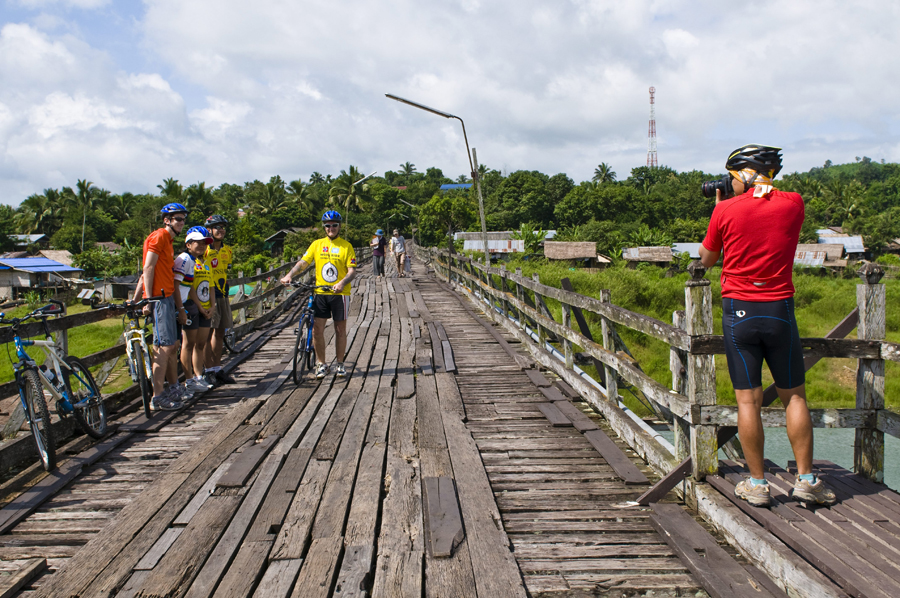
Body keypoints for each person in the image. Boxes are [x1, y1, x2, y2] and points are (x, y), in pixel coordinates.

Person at [699, 144, 836, 508]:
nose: (729, 184)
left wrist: (719, 209)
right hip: (779, 310)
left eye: (732, 177)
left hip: (738, 312)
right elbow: (767, 201)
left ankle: (757, 484)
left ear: (744, 172)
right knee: (795, 396)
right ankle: (806, 479)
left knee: (748, 400)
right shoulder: (794, 203)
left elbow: (706, 260)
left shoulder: (725, 209)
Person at [280, 210, 357, 378]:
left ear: (339, 226)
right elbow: (303, 262)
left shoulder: (346, 246)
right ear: (324, 227)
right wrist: (289, 275)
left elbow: (352, 271)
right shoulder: (316, 244)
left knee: (340, 330)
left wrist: (342, 283)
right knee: (317, 330)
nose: (331, 228)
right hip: (320, 292)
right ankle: (321, 364)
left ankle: (340, 363)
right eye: (328, 226)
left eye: (334, 225)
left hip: (340, 294)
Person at [142, 203, 189, 411]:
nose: (181, 222)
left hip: (167, 296)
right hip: (159, 298)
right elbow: (148, 267)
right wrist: (148, 298)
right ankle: (157, 396)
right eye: (177, 219)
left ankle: (168, 389)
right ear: (167, 220)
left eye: (183, 219)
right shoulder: (159, 236)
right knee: (165, 346)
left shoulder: (168, 241)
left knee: (170, 345)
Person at [175, 226, 216, 395]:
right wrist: (197, 307)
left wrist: (212, 306)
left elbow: (211, 286)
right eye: (198, 243)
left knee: (200, 343)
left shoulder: (202, 264)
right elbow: (185, 287)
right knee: (188, 344)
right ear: (188, 243)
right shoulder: (185, 260)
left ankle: (199, 376)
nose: (201, 246)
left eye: (204, 244)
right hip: (191, 306)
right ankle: (189, 379)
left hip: (205, 307)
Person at [203, 214, 237, 386]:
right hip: (208, 294)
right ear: (209, 229)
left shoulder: (227, 251)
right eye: (217, 227)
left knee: (220, 332)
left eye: (223, 227)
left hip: (223, 293)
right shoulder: (203, 250)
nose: (221, 230)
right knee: (207, 333)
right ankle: (207, 369)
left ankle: (217, 367)